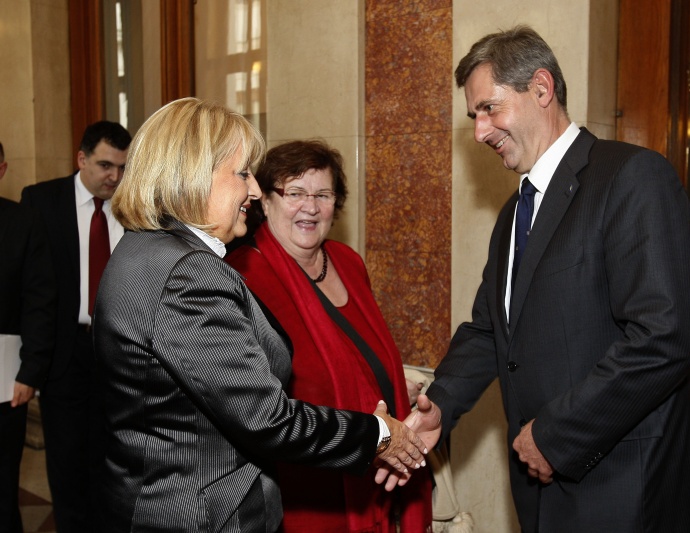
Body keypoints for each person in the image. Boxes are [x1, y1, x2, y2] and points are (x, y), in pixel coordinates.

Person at [424, 26, 690, 532]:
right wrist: (440, 404)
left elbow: (663, 337)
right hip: (544, 488)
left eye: (489, 109)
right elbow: (491, 329)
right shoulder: (514, 214)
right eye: (474, 116)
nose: (479, 131)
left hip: (626, 485)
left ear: (541, 89)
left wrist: (556, 435)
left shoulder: (631, 177)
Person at [93, 97, 436, 532]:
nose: (253, 191)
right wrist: (379, 435)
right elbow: (266, 418)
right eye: (241, 174)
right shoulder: (189, 271)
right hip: (202, 514)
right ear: (194, 174)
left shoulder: (142, 248)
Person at [226, 139, 433, 532]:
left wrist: (389, 383)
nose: (310, 207)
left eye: (323, 194)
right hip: (309, 486)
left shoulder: (348, 262)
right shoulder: (243, 276)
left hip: (383, 475)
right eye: (295, 193)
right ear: (264, 201)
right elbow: (255, 400)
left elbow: (354, 355)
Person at [19, 120, 130, 532]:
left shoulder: (131, 203)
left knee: (114, 458)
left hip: (119, 353)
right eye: (104, 165)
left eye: (121, 167)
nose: (113, 177)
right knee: (67, 461)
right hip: (65, 351)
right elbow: (31, 286)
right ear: (81, 159)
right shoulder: (42, 201)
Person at [0, 142, 56, 533]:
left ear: (2, 170)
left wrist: (30, 372)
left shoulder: (22, 222)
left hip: (5, 380)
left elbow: (40, 301)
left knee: (3, 484)